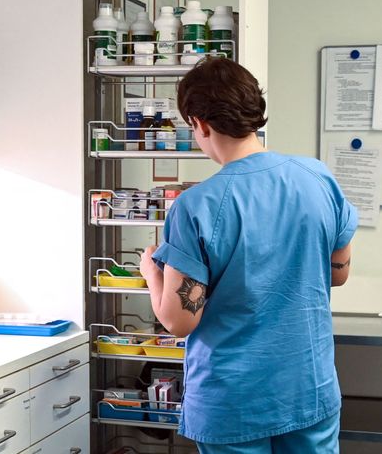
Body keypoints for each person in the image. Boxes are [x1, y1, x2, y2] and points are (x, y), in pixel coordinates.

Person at [139, 57, 358, 453]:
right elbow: (338, 274)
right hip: (308, 387)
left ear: (200, 124)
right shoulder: (318, 178)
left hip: (234, 400)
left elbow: (178, 321)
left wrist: (152, 273)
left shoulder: (196, 205)